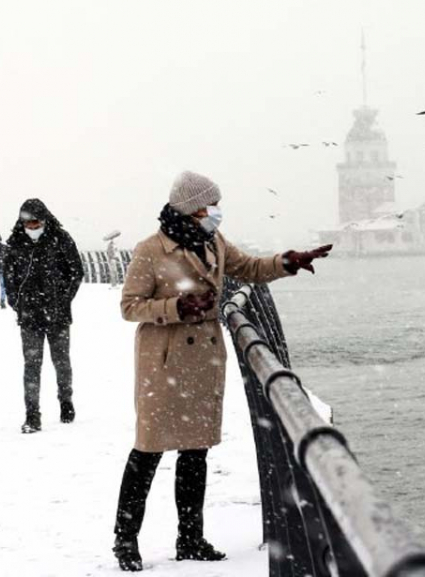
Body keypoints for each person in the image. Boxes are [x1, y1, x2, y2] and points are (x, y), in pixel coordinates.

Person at [112, 171, 332, 572]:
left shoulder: (213, 241)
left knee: (195, 452)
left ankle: (190, 538)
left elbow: (248, 268)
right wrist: (176, 308)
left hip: (202, 364)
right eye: (208, 206)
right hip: (163, 364)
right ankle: (125, 540)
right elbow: (129, 306)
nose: (215, 213)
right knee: (147, 453)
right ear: (189, 208)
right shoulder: (151, 250)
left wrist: (288, 261)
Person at [3, 199, 84, 434]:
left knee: (61, 362)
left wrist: (63, 299)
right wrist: (16, 302)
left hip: (58, 315)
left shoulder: (61, 239)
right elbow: (9, 277)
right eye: (26, 222)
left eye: (35, 222)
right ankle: (32, 414)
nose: (31, 226)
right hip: (29, 316)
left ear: (45, 220)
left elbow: (76, 271)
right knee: (31, 365)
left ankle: (65, 400)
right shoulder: (15, 244)